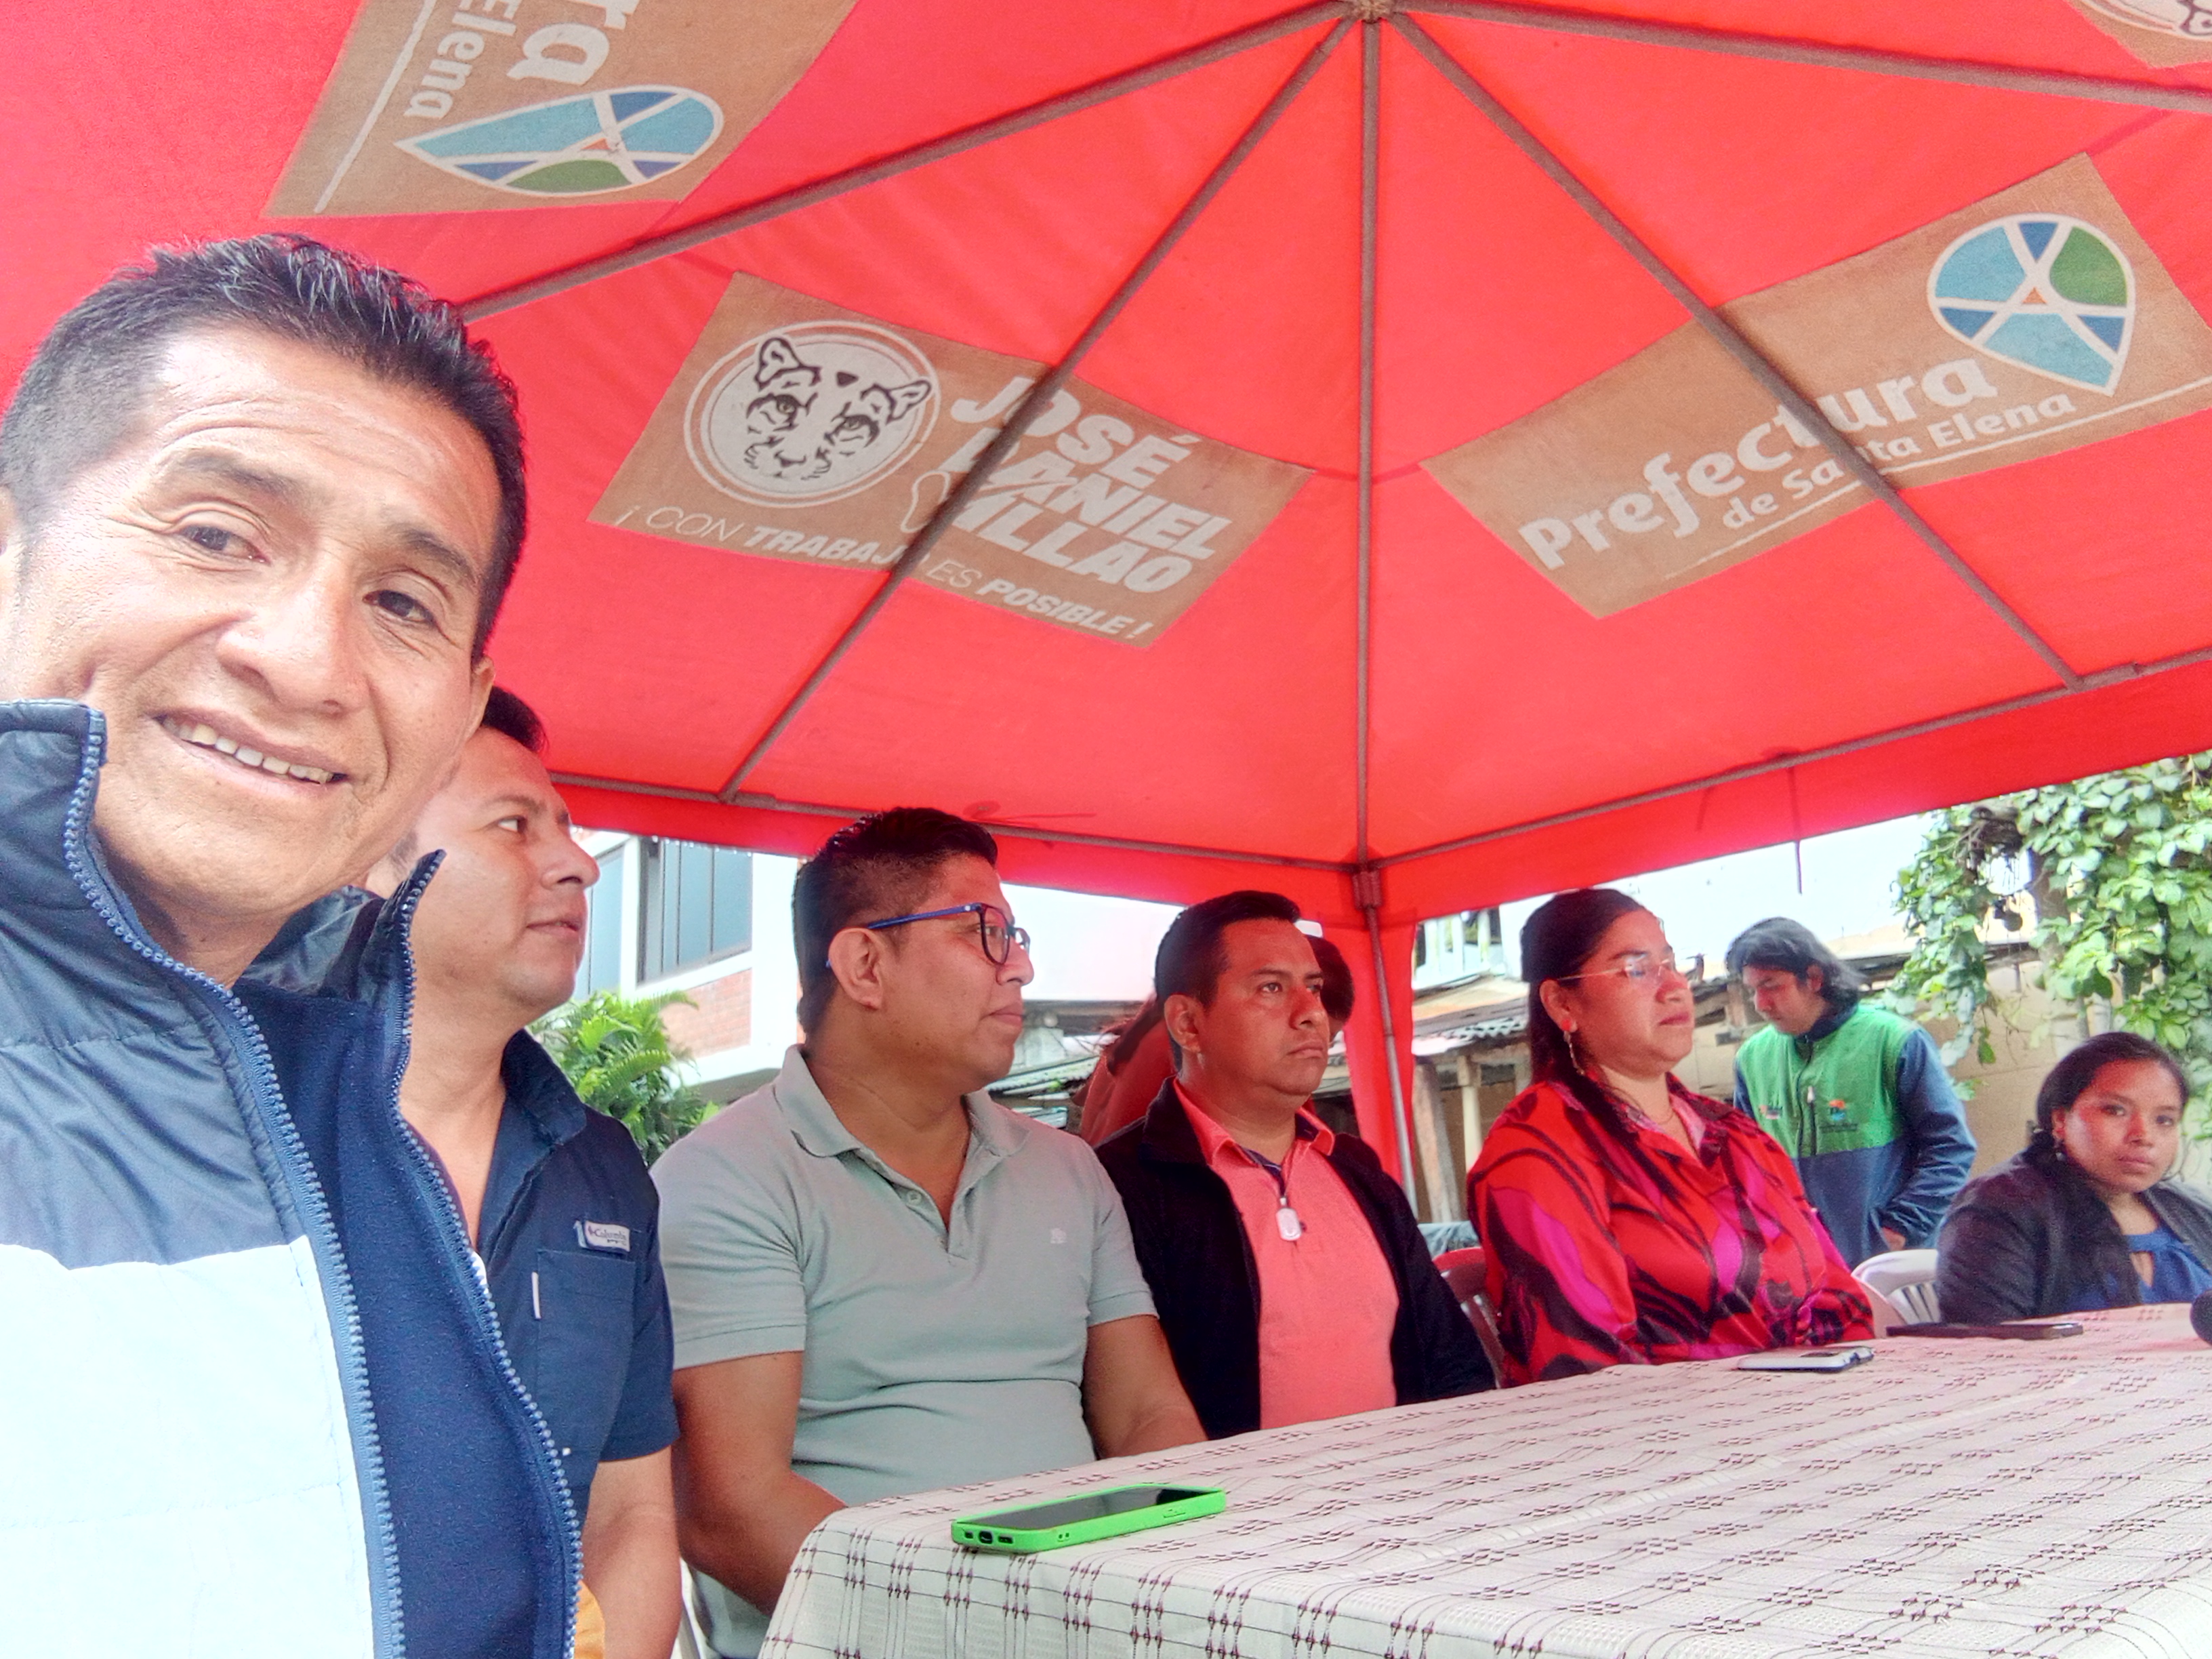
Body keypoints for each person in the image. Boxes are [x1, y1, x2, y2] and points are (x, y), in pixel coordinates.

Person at [0, 235, 577, 1656]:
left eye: (403, 603)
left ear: (461, 705)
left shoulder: (340, 1103)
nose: (309, 661)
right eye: (214, 533)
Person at [651, 808, 1204, 1657]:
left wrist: (1170, 1595)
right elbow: (732, 1508)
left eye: (1014, 936)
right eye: (985, 931)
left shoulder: (1066, 1171)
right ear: (865, 965)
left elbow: (1148, 1416)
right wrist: (989, 1636)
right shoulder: (728, 1178)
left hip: (1090, 1621)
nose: (1021, 966)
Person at [277, 689, 681, 1659]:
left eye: (569, 829)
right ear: (371, 861)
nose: (580, 864)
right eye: (514, 825)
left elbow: (630, 1510)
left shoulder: (602, 1168)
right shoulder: (242, 1125)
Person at [1097, 893, 1490, 1437]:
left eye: (1314, 987)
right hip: (1233, 1492)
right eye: (1271, 988)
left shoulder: (1356, 1171)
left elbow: (1452, 1363)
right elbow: (1129, 1410)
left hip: (1404, 1484)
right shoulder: (1118, 1187)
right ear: (1188, 1024)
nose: (1311, 1013)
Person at [1469, 890, 1872, 1385]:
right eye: (1637, 969)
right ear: (1562, 1003)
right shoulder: (1537, 1154)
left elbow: (1839, 1294)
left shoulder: (1735, 1134)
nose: (1675, 987)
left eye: (1673, 963)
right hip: (1674, 1427)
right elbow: (1585, 1371)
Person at [1726, 917, 1976, 1266]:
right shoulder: (1752, 1059)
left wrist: (1900, 1229)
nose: (1760, 1004)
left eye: (1771, 986)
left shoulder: (1896, 1041)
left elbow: (1951, 1147)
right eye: (1752, 990)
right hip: (1803, 1275)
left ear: (1814, 978)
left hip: (1891, 1269)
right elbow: (1747, 1164)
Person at [1938, 1032, 2212, 1322]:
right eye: (2115, 1110)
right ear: (2060, 1119)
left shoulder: (2194, 1210)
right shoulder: (1999, 1210)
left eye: (2164, 1120)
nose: (2143, 1135)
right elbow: (1987, 1340)